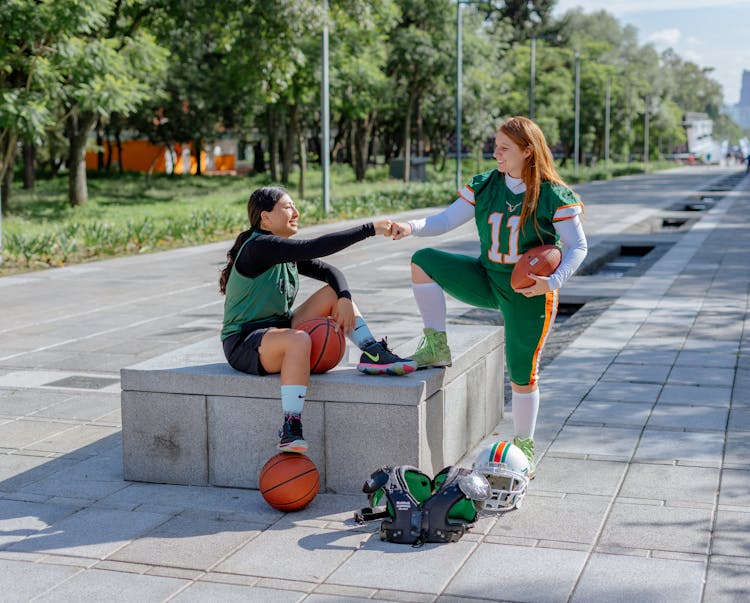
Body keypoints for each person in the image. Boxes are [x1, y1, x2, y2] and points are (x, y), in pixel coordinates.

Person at [390, 116, 588, 477]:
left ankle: (524, 445)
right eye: (495, 145)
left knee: (522, 373)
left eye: (504, 148)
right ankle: (435, 344)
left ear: (527, 151)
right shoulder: (485, 185)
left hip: (528, 291)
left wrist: (553, 281)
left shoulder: (553, 194)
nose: (494, 152)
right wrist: (411, 227)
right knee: (423, 262)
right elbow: (446, 220)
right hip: (486, 276)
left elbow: (578, 247)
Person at [220, 186, 416, 453]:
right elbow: (315, 247)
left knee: (331, 294)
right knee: (299, 340)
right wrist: (369, 228)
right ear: (265, 218)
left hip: (277, 330)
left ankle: (372, 351)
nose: (296, 212)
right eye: (288, 207)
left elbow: (328, 271)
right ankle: (291, 427)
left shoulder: (278, 251)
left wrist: (344, 297)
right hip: (243, 341)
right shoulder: (260, 247)